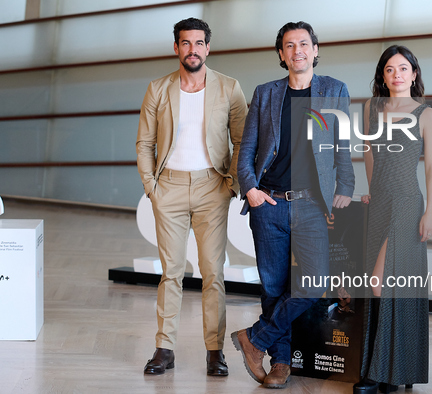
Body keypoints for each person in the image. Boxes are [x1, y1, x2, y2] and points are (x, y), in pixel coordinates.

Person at [231, 21, 355, 389]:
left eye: (304, 43)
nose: (297, 50)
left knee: (313, 283)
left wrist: (346, 185)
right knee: (273, 286)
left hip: (312, 205)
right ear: (281, 54)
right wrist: (250, 189)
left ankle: (254, 338)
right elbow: (247, 150)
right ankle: (280, 363)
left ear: (315, 49)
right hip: (269, 203)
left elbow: (343, 147)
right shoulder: (266, 93)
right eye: (289, 45)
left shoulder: (334, 91)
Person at [136, 17, 247, 376]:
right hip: (167, 187)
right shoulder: (158, 88)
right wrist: (151, 186)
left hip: (212, 188)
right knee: (170, 272)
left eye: (199, 43)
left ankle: (215, 351)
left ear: (208, 48)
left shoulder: (229, 88)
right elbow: (145, 143)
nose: (193, 49)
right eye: (186, 43)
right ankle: (164, 349)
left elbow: (243, 140)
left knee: (213, 272)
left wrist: (232, 183)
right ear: (176, 48)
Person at [354, 45, 432, 393]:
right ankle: (382, 371)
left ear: (414, 74)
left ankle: (389, 368)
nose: (397, 75)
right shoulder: (371, 109)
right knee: (379, 291)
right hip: (380, 204)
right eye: (389, 69)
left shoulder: (426, 113)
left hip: (407, 204)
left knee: (382, 281)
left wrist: (430, 210)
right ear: (382, 75)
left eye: (403, 68)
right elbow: (369, 154)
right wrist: (372, 191)